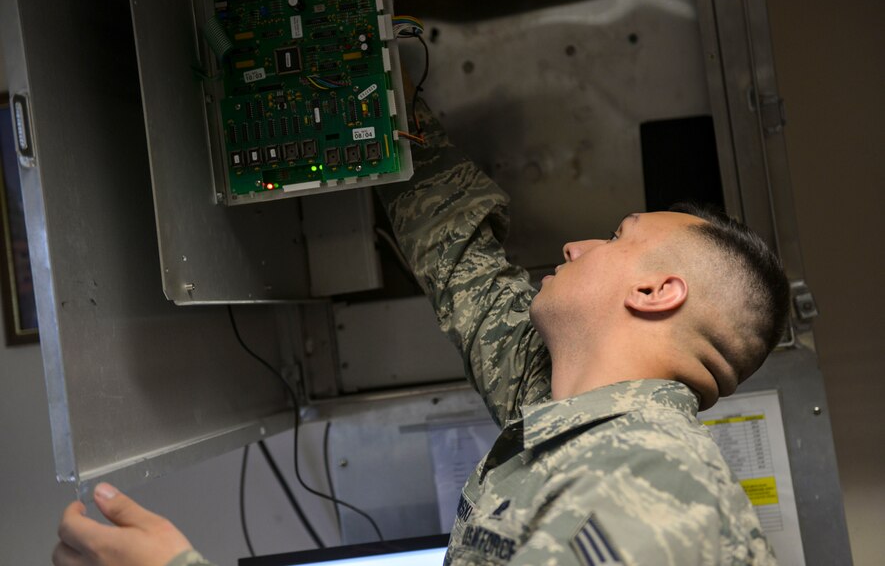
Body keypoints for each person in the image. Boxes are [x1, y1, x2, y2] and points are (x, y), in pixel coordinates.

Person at [54, 97, 789, 565]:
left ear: (655, 291)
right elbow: (457, 256)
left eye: (613, 235)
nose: (574, 246)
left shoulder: (645, 479)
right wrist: (377, 89)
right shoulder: (577, 421)